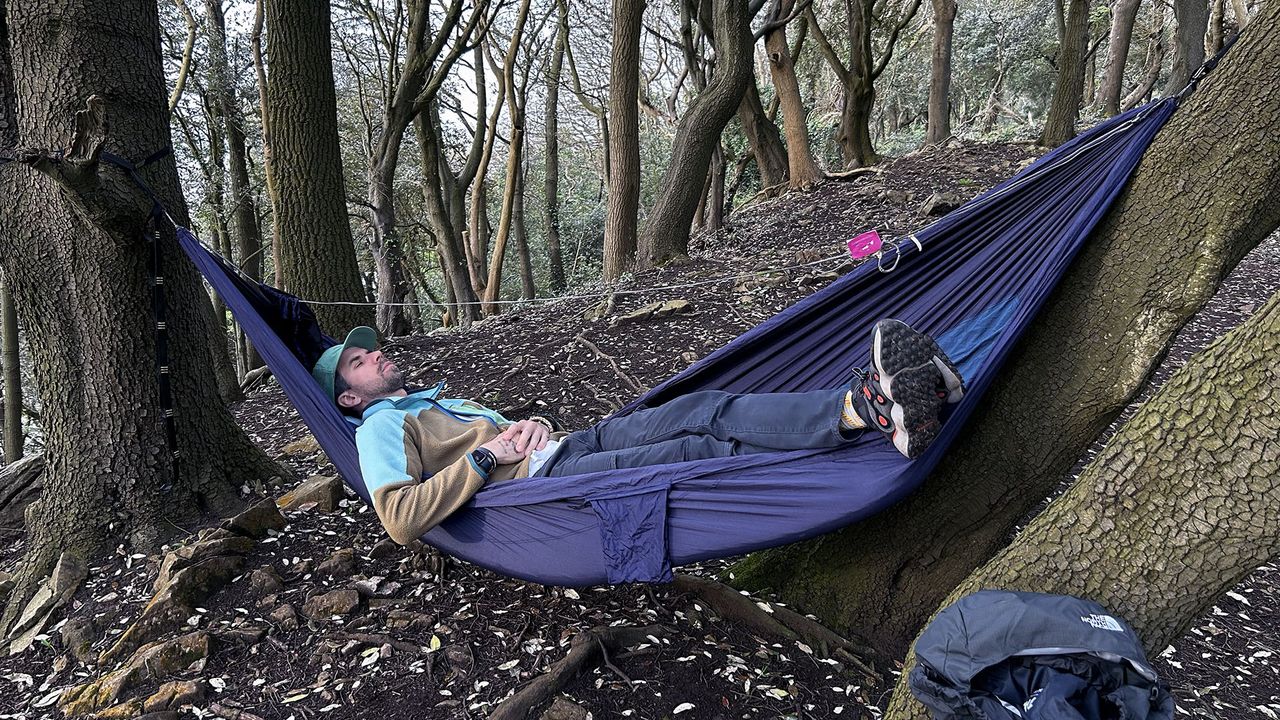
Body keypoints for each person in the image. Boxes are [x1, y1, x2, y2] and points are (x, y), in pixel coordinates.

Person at [311, 320, 965, 545]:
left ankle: (873, 404)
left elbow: (501, 439)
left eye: (371, 350)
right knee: (695, 450)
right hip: (545, 489)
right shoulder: (378, 430)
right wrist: (486, 456)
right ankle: (872, 414)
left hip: (566, 447)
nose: (376, 356)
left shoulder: (426, 399)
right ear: (349, 393)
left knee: (700, 405)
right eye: (360, 361)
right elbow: (398, 519)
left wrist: (532, 425)